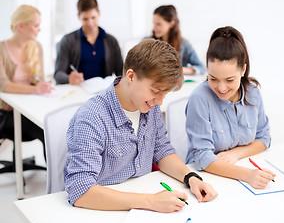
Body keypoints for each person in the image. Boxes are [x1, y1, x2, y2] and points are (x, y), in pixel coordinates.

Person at [64, 39, 218, 212]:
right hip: (100, 211)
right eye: (155, 91)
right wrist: (150, 202)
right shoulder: (92, 117)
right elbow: (80, 191)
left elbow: (163, 151)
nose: (160, 102)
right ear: (131, 76)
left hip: (140, 201)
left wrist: (191, 178)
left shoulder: (148, 107)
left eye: (165, 94)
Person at [185, 26, 276, 189]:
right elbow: (203, 157)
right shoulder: (199, 99)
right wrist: (248, 175)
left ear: (243, 70)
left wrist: (235, 154)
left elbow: (264, 138)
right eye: (213, 78)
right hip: (206, 179)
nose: (221, 88)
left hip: (240, 169)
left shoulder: (253, 93)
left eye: (229, 80)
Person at [0, 5, 52, 156]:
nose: (39, 29)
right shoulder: (1, 50)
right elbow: (3, 85)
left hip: (31, 108)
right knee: (46, 131)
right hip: (6, 114)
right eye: (36, 25)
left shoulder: (37, 47)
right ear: (21, 26)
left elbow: (38, 78)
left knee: (56, 126)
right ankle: (53, 179)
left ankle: (58, 177)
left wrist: (42, 84)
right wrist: (35, 89)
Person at [54, 0, 123, 85]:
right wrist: (69, 78)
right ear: (79, 16)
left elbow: (121, 72)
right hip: (78, 90)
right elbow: (58, 74)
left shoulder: (111, 41)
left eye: (93, 18)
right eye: (85, 19)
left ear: (99, 13)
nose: (90, 23)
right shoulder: (67, 41)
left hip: (103, 90)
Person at [147, 5, 205, 75]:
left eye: (158, 24)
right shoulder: (147, 42)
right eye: (154, 23)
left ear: (171, 23)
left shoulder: (184, 45)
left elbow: (201, 68)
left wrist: (180, 70)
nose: (154, 28)